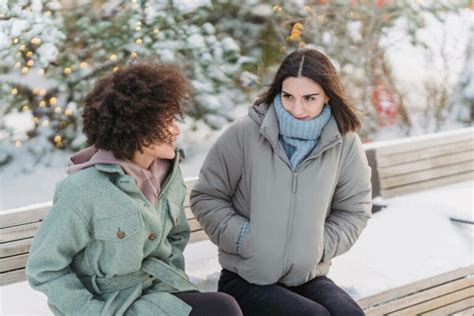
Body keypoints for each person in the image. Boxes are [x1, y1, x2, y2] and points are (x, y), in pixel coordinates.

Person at [26, 63, 242, 316]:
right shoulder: (84, 190)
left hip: (157, 295)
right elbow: (44, 268)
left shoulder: (169, 173)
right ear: (134, 126)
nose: (176, 129)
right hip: (110, 307)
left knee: (221, 307)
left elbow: (176, 237)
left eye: (174, 117)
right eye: (165, 121)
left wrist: (173, 285)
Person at [190, 49, 372, 316]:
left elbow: (354, 209)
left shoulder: (343, 142)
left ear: (327, 97)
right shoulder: (246, 133)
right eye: (288, 97)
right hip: (246, 278)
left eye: (309, 98)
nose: (297, 109)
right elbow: (206, 197)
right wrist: (244, 239)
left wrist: (320, 245)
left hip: (306, 277)